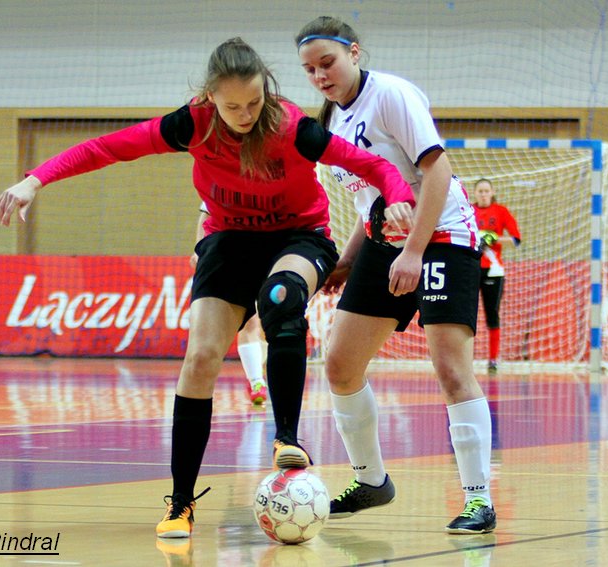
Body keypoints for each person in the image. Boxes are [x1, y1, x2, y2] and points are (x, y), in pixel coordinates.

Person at [0, 37, 419, 540]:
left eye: (254, 102)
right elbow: (105, 148)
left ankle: (287, 437)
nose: (245, 115)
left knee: (282, 298)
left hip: (299, 236)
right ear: (210, 97)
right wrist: (35, 180)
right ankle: (181, 503)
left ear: (266, 90)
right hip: (229, 241)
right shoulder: (191, 125)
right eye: (232, 106)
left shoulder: (292, 127)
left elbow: (376, 166)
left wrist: (397, 196)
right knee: (200, 359)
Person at [296, 17, 496, 534]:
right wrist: (347, 260)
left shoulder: (390, 94)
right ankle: (371, 481)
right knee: (340, 364)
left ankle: (479, 500)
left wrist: (413, 251)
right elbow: (371, 201)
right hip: (384, 242)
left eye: (327, 63)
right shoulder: (331, 121)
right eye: (309, 70)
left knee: (451, 368)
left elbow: (438, 170)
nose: (320, 76)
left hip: (442, 236)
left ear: (354, 52)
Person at [190, 204, 267, 405]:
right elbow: (206, 212)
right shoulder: (219, 185)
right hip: (225, 252)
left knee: (263, 321)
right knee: (248, 321)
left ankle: (258, 377)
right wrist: (199, 249)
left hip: (263, 250)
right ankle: (256, 381)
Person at [472, 178, 521, 373]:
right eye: (480, 191)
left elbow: (516, 240)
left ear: (492, 192)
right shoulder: (468, 210)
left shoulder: (501, 211)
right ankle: (465, 357)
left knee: (492, 314)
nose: (483, 194)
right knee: (466, 314)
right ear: (475, 193)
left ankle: (493, 360)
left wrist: (493, 238)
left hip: (494, 270)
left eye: (486, 191)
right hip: (471, 268)